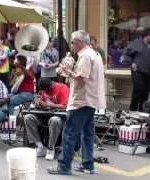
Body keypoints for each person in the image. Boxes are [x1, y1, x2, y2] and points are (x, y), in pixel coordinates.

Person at [48, 30, 105, 175]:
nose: (71, 45)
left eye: (73, 42)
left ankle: (64, 166)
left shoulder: (86, 56)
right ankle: (87, 164)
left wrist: (67, 70)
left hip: (81, 100)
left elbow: (81, 77)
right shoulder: (94, 54)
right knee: (87, 134)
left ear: (80, 42)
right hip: (90, 100)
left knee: (69, 133)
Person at [24, 78, 69, 161]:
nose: (46, 92)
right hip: (45, 116)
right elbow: (43, 103)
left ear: (52, 85)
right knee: (28, 118)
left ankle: (51, 148)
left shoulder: (63, 88)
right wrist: (38, 104)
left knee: (54, 120)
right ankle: (40, 146)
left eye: (47, 90)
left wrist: (51, 105)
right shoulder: (44, 90)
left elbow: (66, 105)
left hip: (59, 117)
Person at [123, 28, 150, 112]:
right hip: (138, 71)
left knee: (147, 90)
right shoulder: (137, 43)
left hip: (149, 72)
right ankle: (133, 109)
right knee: (138, 89)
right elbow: (125, 53)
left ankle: (142, 110)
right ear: (145, 36)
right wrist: (131, 63)